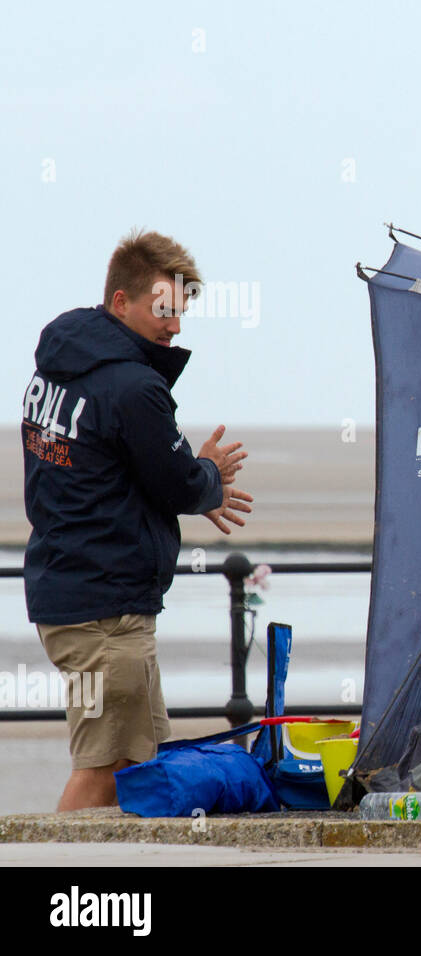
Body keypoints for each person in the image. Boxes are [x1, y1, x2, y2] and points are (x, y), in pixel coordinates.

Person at [22, 229, 255, 811]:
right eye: (163, 311)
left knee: (140, 766)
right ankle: (61, 879)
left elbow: (127, 469)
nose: (175, 327)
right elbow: (175, 480)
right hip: (105, 612)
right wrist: (206, 479)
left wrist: (196, 481)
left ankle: (115, 878)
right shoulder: (133, 388)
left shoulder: (59, 362)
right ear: (121, 301)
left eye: (180, 314)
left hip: (70, 590)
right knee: (102, 770)